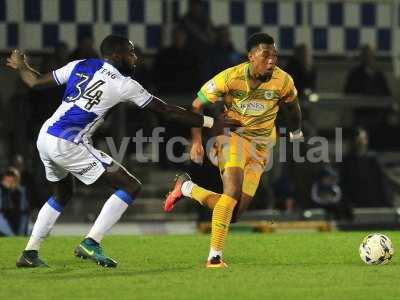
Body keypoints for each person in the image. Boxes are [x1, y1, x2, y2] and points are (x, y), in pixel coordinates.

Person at [6, 34, 240, 268]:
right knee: (130, 185)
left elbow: (35, 82)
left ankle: (30, 253)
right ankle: (91, 242)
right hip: (69, 142)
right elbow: (167, 111)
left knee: (62, 193)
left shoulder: (82, 64)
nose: (136, 58)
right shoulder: (123, 83)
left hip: (46, 136)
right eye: (131, 53)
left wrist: (22, 66)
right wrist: (211, 122)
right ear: (118, 56)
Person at [164, 33, 303, 268]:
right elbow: (196, 105)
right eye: (265, 55)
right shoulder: (230, 77)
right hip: (232, 138)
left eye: (275, 56)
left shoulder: (283, 81)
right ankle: (214, 257)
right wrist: (197, 140)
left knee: (235, 213)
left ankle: (186, 187)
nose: (271, 61)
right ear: (251, 56)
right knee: (231, 191)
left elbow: (293, 108)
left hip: (261, 147)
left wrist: (296, 133)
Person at [0, 168, 29, 236]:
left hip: (17, 218)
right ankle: (12, 235)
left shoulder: (20, 191)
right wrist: (5, 189)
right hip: (4, 218)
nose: (10, 180)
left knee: (24, 216)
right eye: (8, 177)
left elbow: (24, 208)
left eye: (12, 178)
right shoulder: (2, 190)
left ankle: (18, 235)